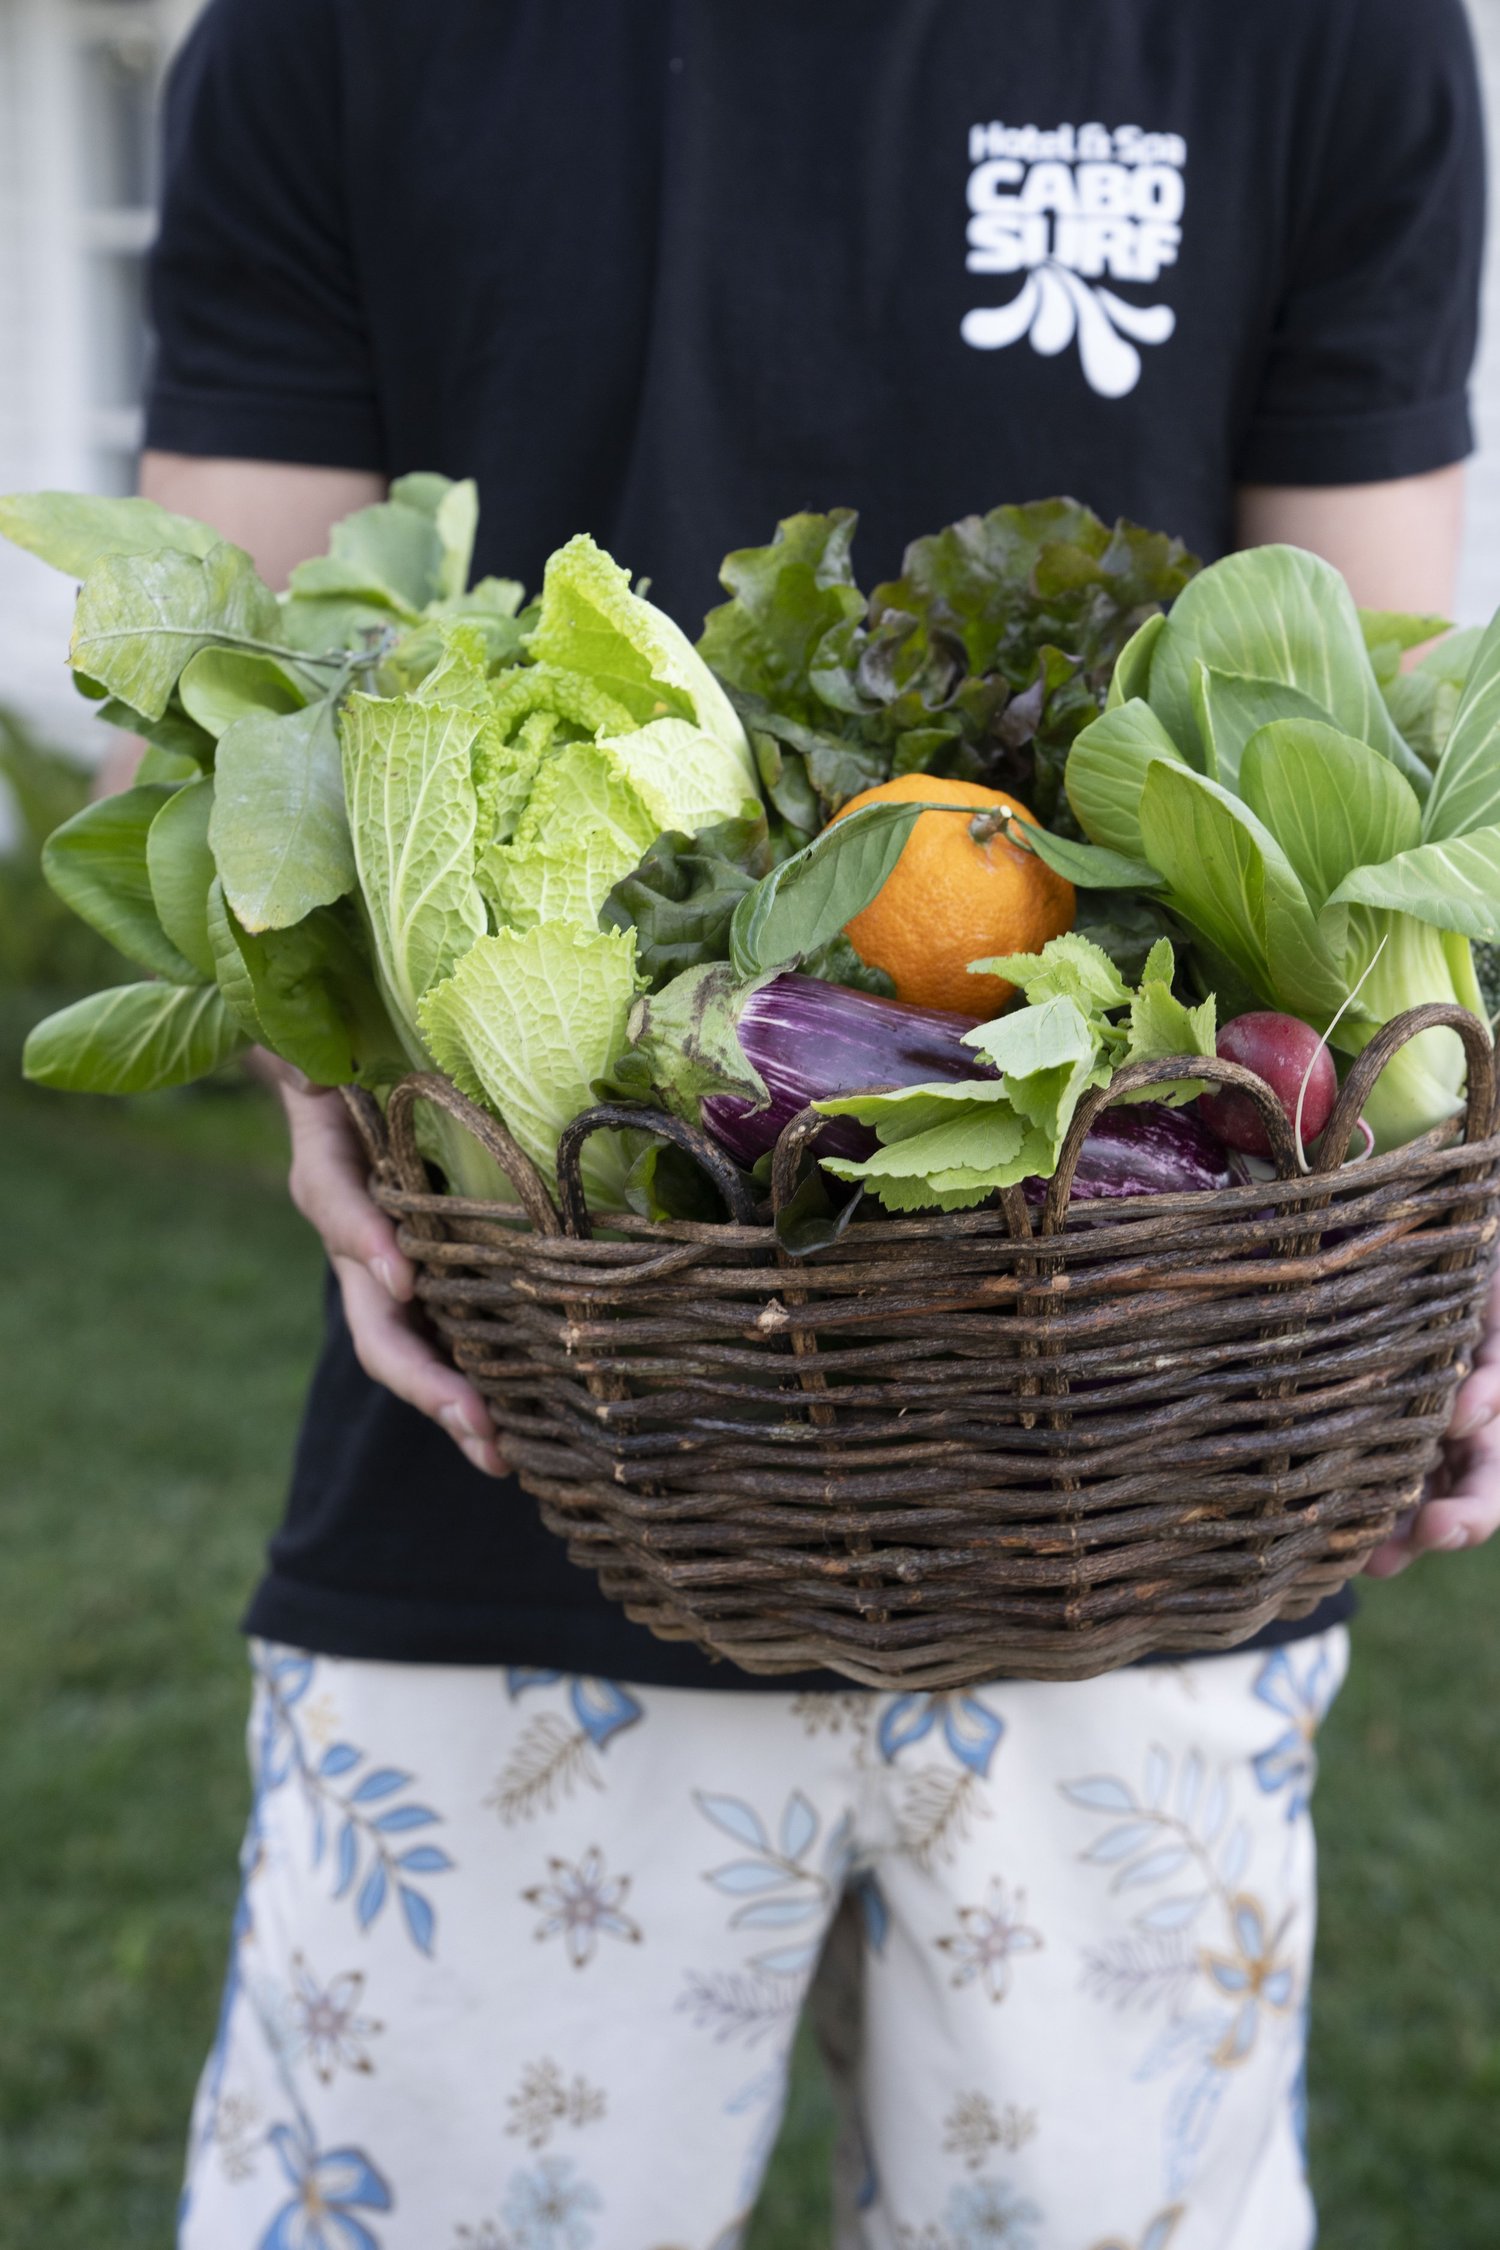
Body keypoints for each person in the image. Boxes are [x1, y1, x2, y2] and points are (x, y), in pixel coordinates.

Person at [138, 3, 1500, 2244]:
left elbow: (1364, 749)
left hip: (1140, 1486)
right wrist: (331, 1070)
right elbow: (213, 752)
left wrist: (1443, 1199)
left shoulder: (1318, 28)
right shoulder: (324, 30)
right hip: (512, 1466)